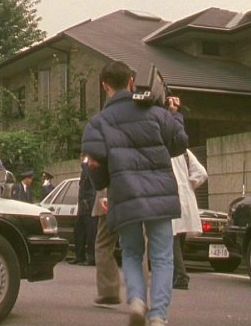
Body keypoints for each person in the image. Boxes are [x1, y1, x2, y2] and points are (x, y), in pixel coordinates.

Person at [81, 61, 188, 326]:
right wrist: (175, 114)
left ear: (105, 86)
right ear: (131, 81)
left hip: (125, 194)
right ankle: (158, 315)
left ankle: (137, 300)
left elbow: (95, 167)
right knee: (162, 256)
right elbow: (179, 144)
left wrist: (103, 182)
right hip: (160, 195)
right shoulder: (156, 112)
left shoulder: (98, 123)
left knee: (130, 252)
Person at [170, 149, 208, 290]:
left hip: (171, 197)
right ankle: (177, 275)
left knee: (172, 238)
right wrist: (188, 184)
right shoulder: (184, 152)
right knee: (179, 237)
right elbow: (202, 173)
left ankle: (181, 276)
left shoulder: (162, 149)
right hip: (186, 199)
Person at [91, 185, 123, 308]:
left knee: (103, 245)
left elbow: (98, 176)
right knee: (137, 248)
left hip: (109, 196)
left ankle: (109, 291)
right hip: (137, 198)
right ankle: (139, 296)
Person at [71, 161, 97, 266]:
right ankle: (79, 256)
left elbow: (94, 189)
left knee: (91, 234)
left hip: (89, 206)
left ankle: (91, 257)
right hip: (82, 206)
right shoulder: (84, 171)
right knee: (78, 232)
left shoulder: (90, 169)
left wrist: (86, 165)